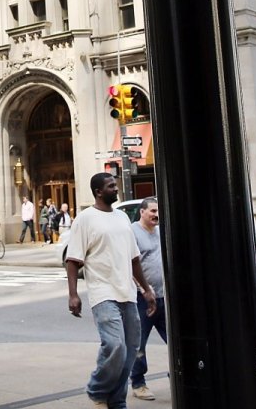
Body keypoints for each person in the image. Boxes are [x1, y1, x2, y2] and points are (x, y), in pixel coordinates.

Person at [63, 173, 157, 409]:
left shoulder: (123, 217)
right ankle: (97, 389)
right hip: (102, 292)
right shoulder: (85, 219)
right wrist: (73, 294)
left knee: (130, 349)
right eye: (111, 186)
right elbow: (73, 260)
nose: (116, 189)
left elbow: (134, 258)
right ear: (98, 191)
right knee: (115, 345)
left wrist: (146, 289)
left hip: (127, 292)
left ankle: (116, 400)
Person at [129, 198, 167, 402]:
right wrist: (143, 289)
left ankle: (178, 373)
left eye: (158, 211)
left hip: (163, 296)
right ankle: (138, 383)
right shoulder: (133, 232)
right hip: (142, 298)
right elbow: (130, 264)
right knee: (139, 342)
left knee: (175, 339)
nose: (156, 214)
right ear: (142, 212)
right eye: (152, 210)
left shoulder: (161, 231)